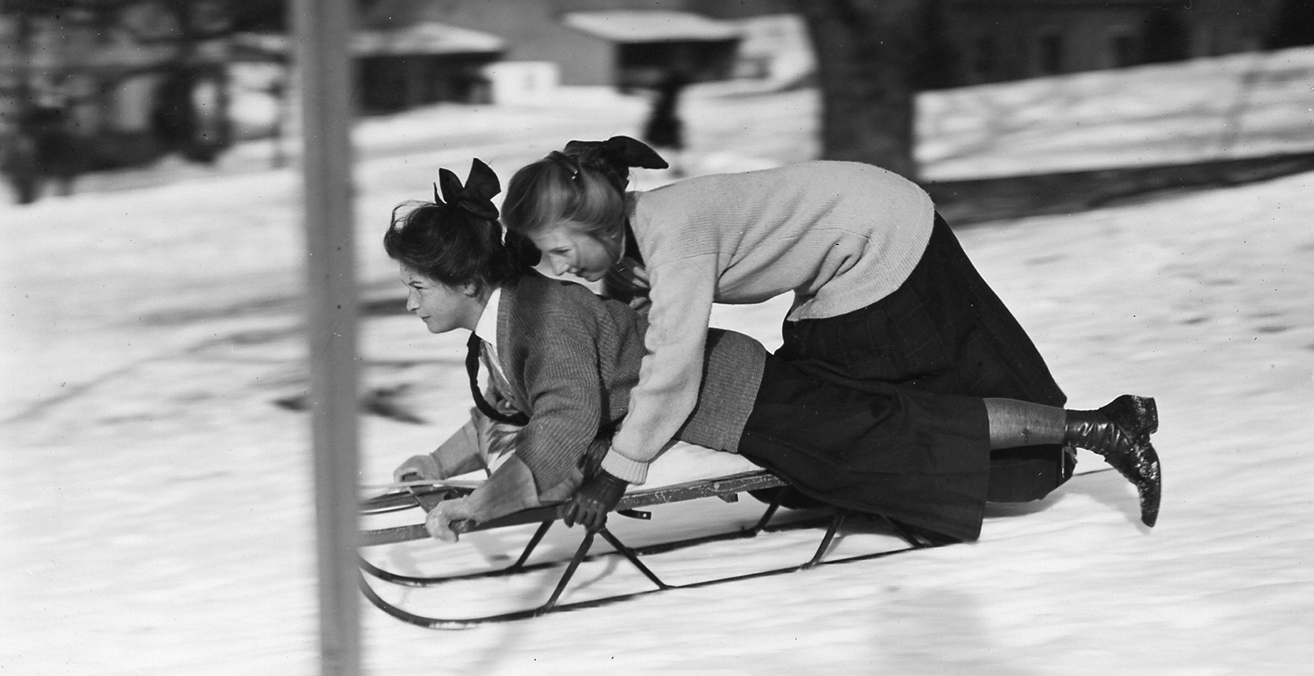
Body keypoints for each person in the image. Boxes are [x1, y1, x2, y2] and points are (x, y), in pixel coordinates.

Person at [500, 138, 1163, 538]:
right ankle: (1105, 422)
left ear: (598, 224)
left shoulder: (673, 234)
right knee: (841, 413)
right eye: (543, 260)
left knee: (871, 417)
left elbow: (670, 366)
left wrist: (614, 475)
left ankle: (1097, 432)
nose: (558, 272)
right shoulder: (634, 242)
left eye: (560, 252)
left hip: (878, 243)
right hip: (874, 227)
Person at [383, 158, 764, 542]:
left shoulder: (544, 319)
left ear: (466, 282)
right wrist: (435, 464)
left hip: (736, 397)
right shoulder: (501, 323)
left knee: (817, 474)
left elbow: (565, 420)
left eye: (418, 288)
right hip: (695, 396)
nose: (410, 304)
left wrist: (479, 506)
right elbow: (500, 410)